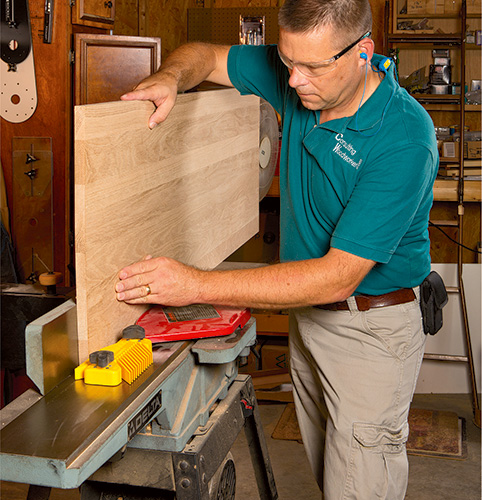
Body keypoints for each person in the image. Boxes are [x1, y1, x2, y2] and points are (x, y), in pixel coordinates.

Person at [115, 0, 439, 497]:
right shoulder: (300, 75)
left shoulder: (403, 136)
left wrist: (194, 285)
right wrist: (171, 79)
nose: (292, 82)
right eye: (288, 63)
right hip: (308, 316)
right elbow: (204, 54)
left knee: (358, 487)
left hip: (371, 328)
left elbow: (338, 275)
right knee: (328, 472)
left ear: (363, 53)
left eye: (310, 67)